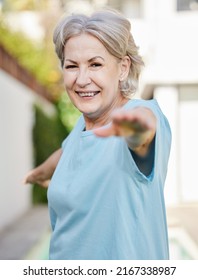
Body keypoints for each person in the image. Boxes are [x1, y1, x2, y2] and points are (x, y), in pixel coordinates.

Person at [24, 9, 171, 260]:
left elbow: (144, 129)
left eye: (95, 64)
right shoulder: (80, 129)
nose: (82, 79)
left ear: (123, 68)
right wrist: (40, 172)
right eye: (72, 66)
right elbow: (69, 151)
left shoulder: (139, 115)